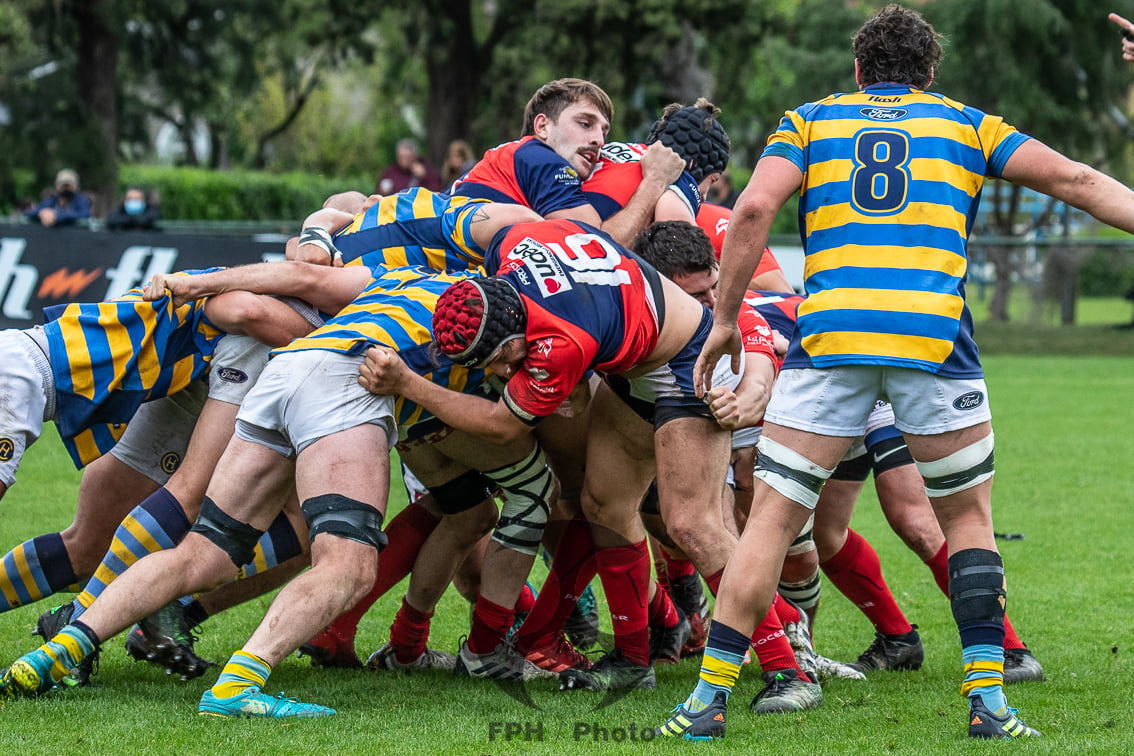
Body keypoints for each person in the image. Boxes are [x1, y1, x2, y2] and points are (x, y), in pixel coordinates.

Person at [659, 3, 1134, 741]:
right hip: (933, 341)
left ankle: (706, 703)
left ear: (858, 71)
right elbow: (1076, 180)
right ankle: (988, 703)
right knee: (967, 521)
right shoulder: (967, 123)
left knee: (772, 522)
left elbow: (751, 210)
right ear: (931, 73)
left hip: (830, 339)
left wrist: (722, 321)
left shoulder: (812, 119)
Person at [450, 78, 686, 248]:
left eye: (604, 131)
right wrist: (655, 179)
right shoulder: (540, 159)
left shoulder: (513, 157)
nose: (599, 140)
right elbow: (599, 248)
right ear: (542, 126)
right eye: (585, 123)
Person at [24, 169, 91, 227]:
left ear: (76, 186)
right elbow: (31, 212)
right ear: (57, 186)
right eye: (63, 185)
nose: (66, 188)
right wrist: (42, 213)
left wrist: (57, 215)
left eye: (68, 185)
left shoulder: (81, 200)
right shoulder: (52, 200)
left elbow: (85, 214)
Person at [376, 138, 443, 195]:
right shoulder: (391, 171)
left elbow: (436, 192)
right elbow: (377, 193)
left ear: (415, 156)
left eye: (407, 157)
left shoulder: (426, 170)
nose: (403, 161)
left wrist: (424, 177)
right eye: (401, 157)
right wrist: (382, 191)